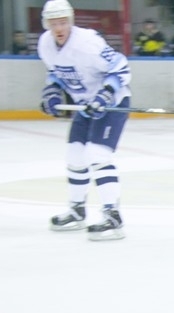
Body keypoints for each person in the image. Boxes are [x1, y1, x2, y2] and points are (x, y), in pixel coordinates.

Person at [38, 0, 131, 241]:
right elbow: (55, 72)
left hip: (112, 103)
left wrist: (105, 94)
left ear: (70, 21)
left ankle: (113, 217)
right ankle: (77, 211)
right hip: (85, 105)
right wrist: (52, 92)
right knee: (75, 156)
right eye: (53, 23)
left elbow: (121, 67)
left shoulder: (88, 43)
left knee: (97, 155)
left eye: (63, 22)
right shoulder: (45, 44)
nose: (59, 28)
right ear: (46, 24)